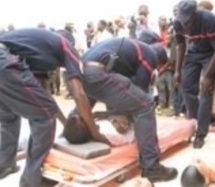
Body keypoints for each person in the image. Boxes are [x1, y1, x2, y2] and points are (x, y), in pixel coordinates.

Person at [0, 28, 108, 187]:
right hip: (3, 62)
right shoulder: (66, 46)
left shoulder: (38, 52)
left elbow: (43, 98)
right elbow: (79, 94)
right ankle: (31, 180)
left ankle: (4, 164)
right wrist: (95, 132)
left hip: (4, 62)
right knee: (44, 117)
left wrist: (66, 125)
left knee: (10, 116)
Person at [80, 37, 178, 183]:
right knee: (146, 106)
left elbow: (122, 91)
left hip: (81, 71)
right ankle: (152, 167)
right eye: (158, 67)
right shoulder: (150, 55)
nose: (156, 70)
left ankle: (69, 137)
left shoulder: (131, 50)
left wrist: (114, 114)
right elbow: (139, 93)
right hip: (98, 72)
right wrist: (119, 115)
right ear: (158, 61)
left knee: (81, 111)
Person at [173, 0, 215, 148]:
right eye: (183, 20)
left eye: (188, 20)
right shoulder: (178, 22)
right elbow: (180, 45)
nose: (185, 24)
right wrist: (177, 71)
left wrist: (208, 77)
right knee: (186, 86)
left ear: (196, 13)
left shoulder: (209, 19)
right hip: (192, 53)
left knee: (205, 89)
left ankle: (201, 133)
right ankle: (198, 121)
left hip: (210, 53)